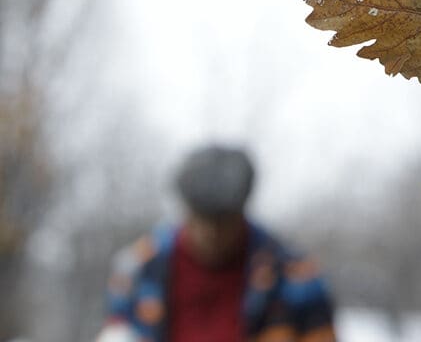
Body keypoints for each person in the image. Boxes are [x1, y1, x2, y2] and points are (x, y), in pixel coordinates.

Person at [100, 145, 336, 342]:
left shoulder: (294, 276)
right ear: (186, 209)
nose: (210, 232)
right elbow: (118, 329)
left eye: (223, 220)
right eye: (201, 218)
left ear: (241, 211)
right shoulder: (138, 269)